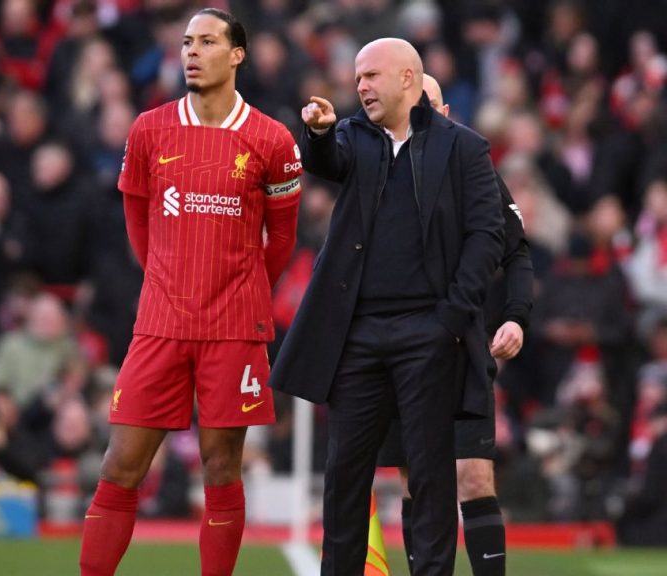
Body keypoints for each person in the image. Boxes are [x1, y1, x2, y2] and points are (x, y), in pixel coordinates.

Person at [79, 9, 303, 576]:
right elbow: (135, 215)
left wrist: (244, 288)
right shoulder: (150, 129)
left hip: (234, 325)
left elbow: (283, 238)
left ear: (237, 54)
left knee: (221, 467)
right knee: (120, 465)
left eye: (206, 41)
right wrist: (166, 273)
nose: (191, 52)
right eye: (185, 42)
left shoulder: (271, 139)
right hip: (160, 321)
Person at [270, 39, 504, 576]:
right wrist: (319, 131)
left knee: (429, 475)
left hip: (429, 331)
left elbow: (486, 236)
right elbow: (327, 161)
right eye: (357, 79)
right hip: (358, 334)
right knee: (344, 471)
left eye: (372, 76)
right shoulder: (353, 136)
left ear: (408, 79)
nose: (361, 87)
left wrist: (450, 316)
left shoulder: (464, 148)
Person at [375, 74, 534, 576]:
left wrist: (515, 317)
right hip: (396, 351)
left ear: (445, 113)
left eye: (428, 105)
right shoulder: (375, 167)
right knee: (415, 482)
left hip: (461, 348)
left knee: (473, 478)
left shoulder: (475, 168)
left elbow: (517, 252)